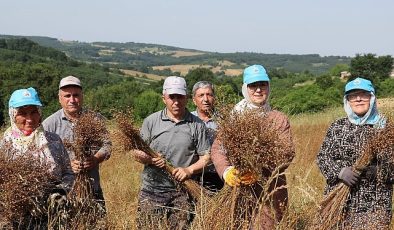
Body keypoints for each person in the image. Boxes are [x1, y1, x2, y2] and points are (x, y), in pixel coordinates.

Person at [211, 64, 295, 228]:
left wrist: (257, 169)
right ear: (245, 88)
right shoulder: (233, 119)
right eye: (253, 85)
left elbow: (287, 153)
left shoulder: (278, 119)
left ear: (268, 87)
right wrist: (227, 171)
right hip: (239, 190)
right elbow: (217, 149)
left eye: (262, 85)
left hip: (270, 193)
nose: (258, 90)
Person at [133, 76, 211, 229]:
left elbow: (206, 157)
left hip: (183, 192)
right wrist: (149, 160)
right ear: (164, 98)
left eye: (180, 96)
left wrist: (189, 170)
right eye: (172, 97)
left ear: (187, 98)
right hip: (152, 190)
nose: (176, 101)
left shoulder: (197, 125)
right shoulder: (151, 121)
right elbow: (136, 152)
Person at [317, 77, 392, 229]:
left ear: (372, 98)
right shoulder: (338, 126)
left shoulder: (386, 128)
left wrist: (379, 172)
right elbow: (322, 157)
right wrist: (340, 171)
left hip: (375, 205)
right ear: (347, 101)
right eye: (353, 95)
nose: (358, 99)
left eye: (363, 94)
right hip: (338, 203)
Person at [1, 87, 74, 227]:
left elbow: (68, 172)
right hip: (18, 217)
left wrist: (61, 190)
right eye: (22, 113)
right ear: (13, 115)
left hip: (54, 214)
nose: (29, 119)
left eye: (34, 112)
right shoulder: (5, 145)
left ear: (40, 113)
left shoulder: (53, 140)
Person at [42, 76, 111, 207]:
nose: (72, 100)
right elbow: (44, 158)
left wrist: (95, 159)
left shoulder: (96, 119)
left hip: (92, 189)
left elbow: (107, 146)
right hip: (63, 193)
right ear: (59, 98)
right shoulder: (49, 124)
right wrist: (67, 165)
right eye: (67, 96)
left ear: (82, 96)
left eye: (76, 95)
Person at [191, 81, 224, 192]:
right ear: (194, 100)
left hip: (219, 174)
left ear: (214, 97)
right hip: (193, 175)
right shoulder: (188, 120)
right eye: (201, 95)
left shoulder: (224, 120)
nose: (205, 99)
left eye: (209, 94)